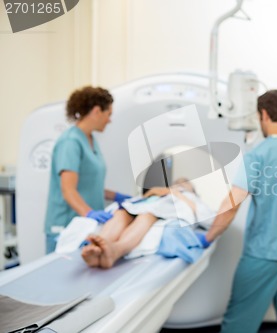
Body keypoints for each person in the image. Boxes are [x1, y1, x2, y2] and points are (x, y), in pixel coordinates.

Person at [202, 90, 277, 333]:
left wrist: (206, 238)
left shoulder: (258, 155)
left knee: (238, 324)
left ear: (264, 114)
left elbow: (231, 204)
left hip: (263, 255)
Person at [44, 86, 131, 253]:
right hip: (65, 226)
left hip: (84, 224)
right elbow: (68, 190)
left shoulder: (90, 139)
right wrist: (89, 212)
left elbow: (88, 182)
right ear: (97, 111)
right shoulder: (70, 142)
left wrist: (117, 196)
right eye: (109, 114)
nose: (109, 120)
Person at [81, 178, 213, 268]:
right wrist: (152, 193)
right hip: (143, 205)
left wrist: (178, 193)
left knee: (147, 215)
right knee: (122, 212)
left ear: (192, 190)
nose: (179, 183)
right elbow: (137, 201)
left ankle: (115, 250)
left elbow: (208, 220)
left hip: (157, 211)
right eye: (176, 182)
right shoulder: (160, 191)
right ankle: (98, 248)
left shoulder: (191, 198)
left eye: (184, 183)